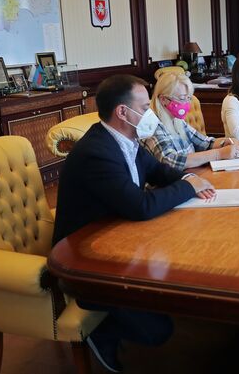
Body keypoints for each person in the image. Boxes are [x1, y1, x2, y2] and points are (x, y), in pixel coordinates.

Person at [52, 74, 215, 373]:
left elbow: (159, 172)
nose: (150, 113)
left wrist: (191, 179)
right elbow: (140, 206)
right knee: (157, 331)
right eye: (144, 107)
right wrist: (188, 187)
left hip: (119, 237)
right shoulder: (96, 152)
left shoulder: (127, 140)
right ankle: (100, 333)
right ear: (123, 112)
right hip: (88, 259)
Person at [143, 71, 239, 170]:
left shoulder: (177, 120)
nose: (187, 104)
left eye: (189, 98)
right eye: (182, 98)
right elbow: (171, 161)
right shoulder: (153, 125)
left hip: (193, 175)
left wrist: (228, 142)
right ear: (163, 100)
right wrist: (218, 154)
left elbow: (205, 142)